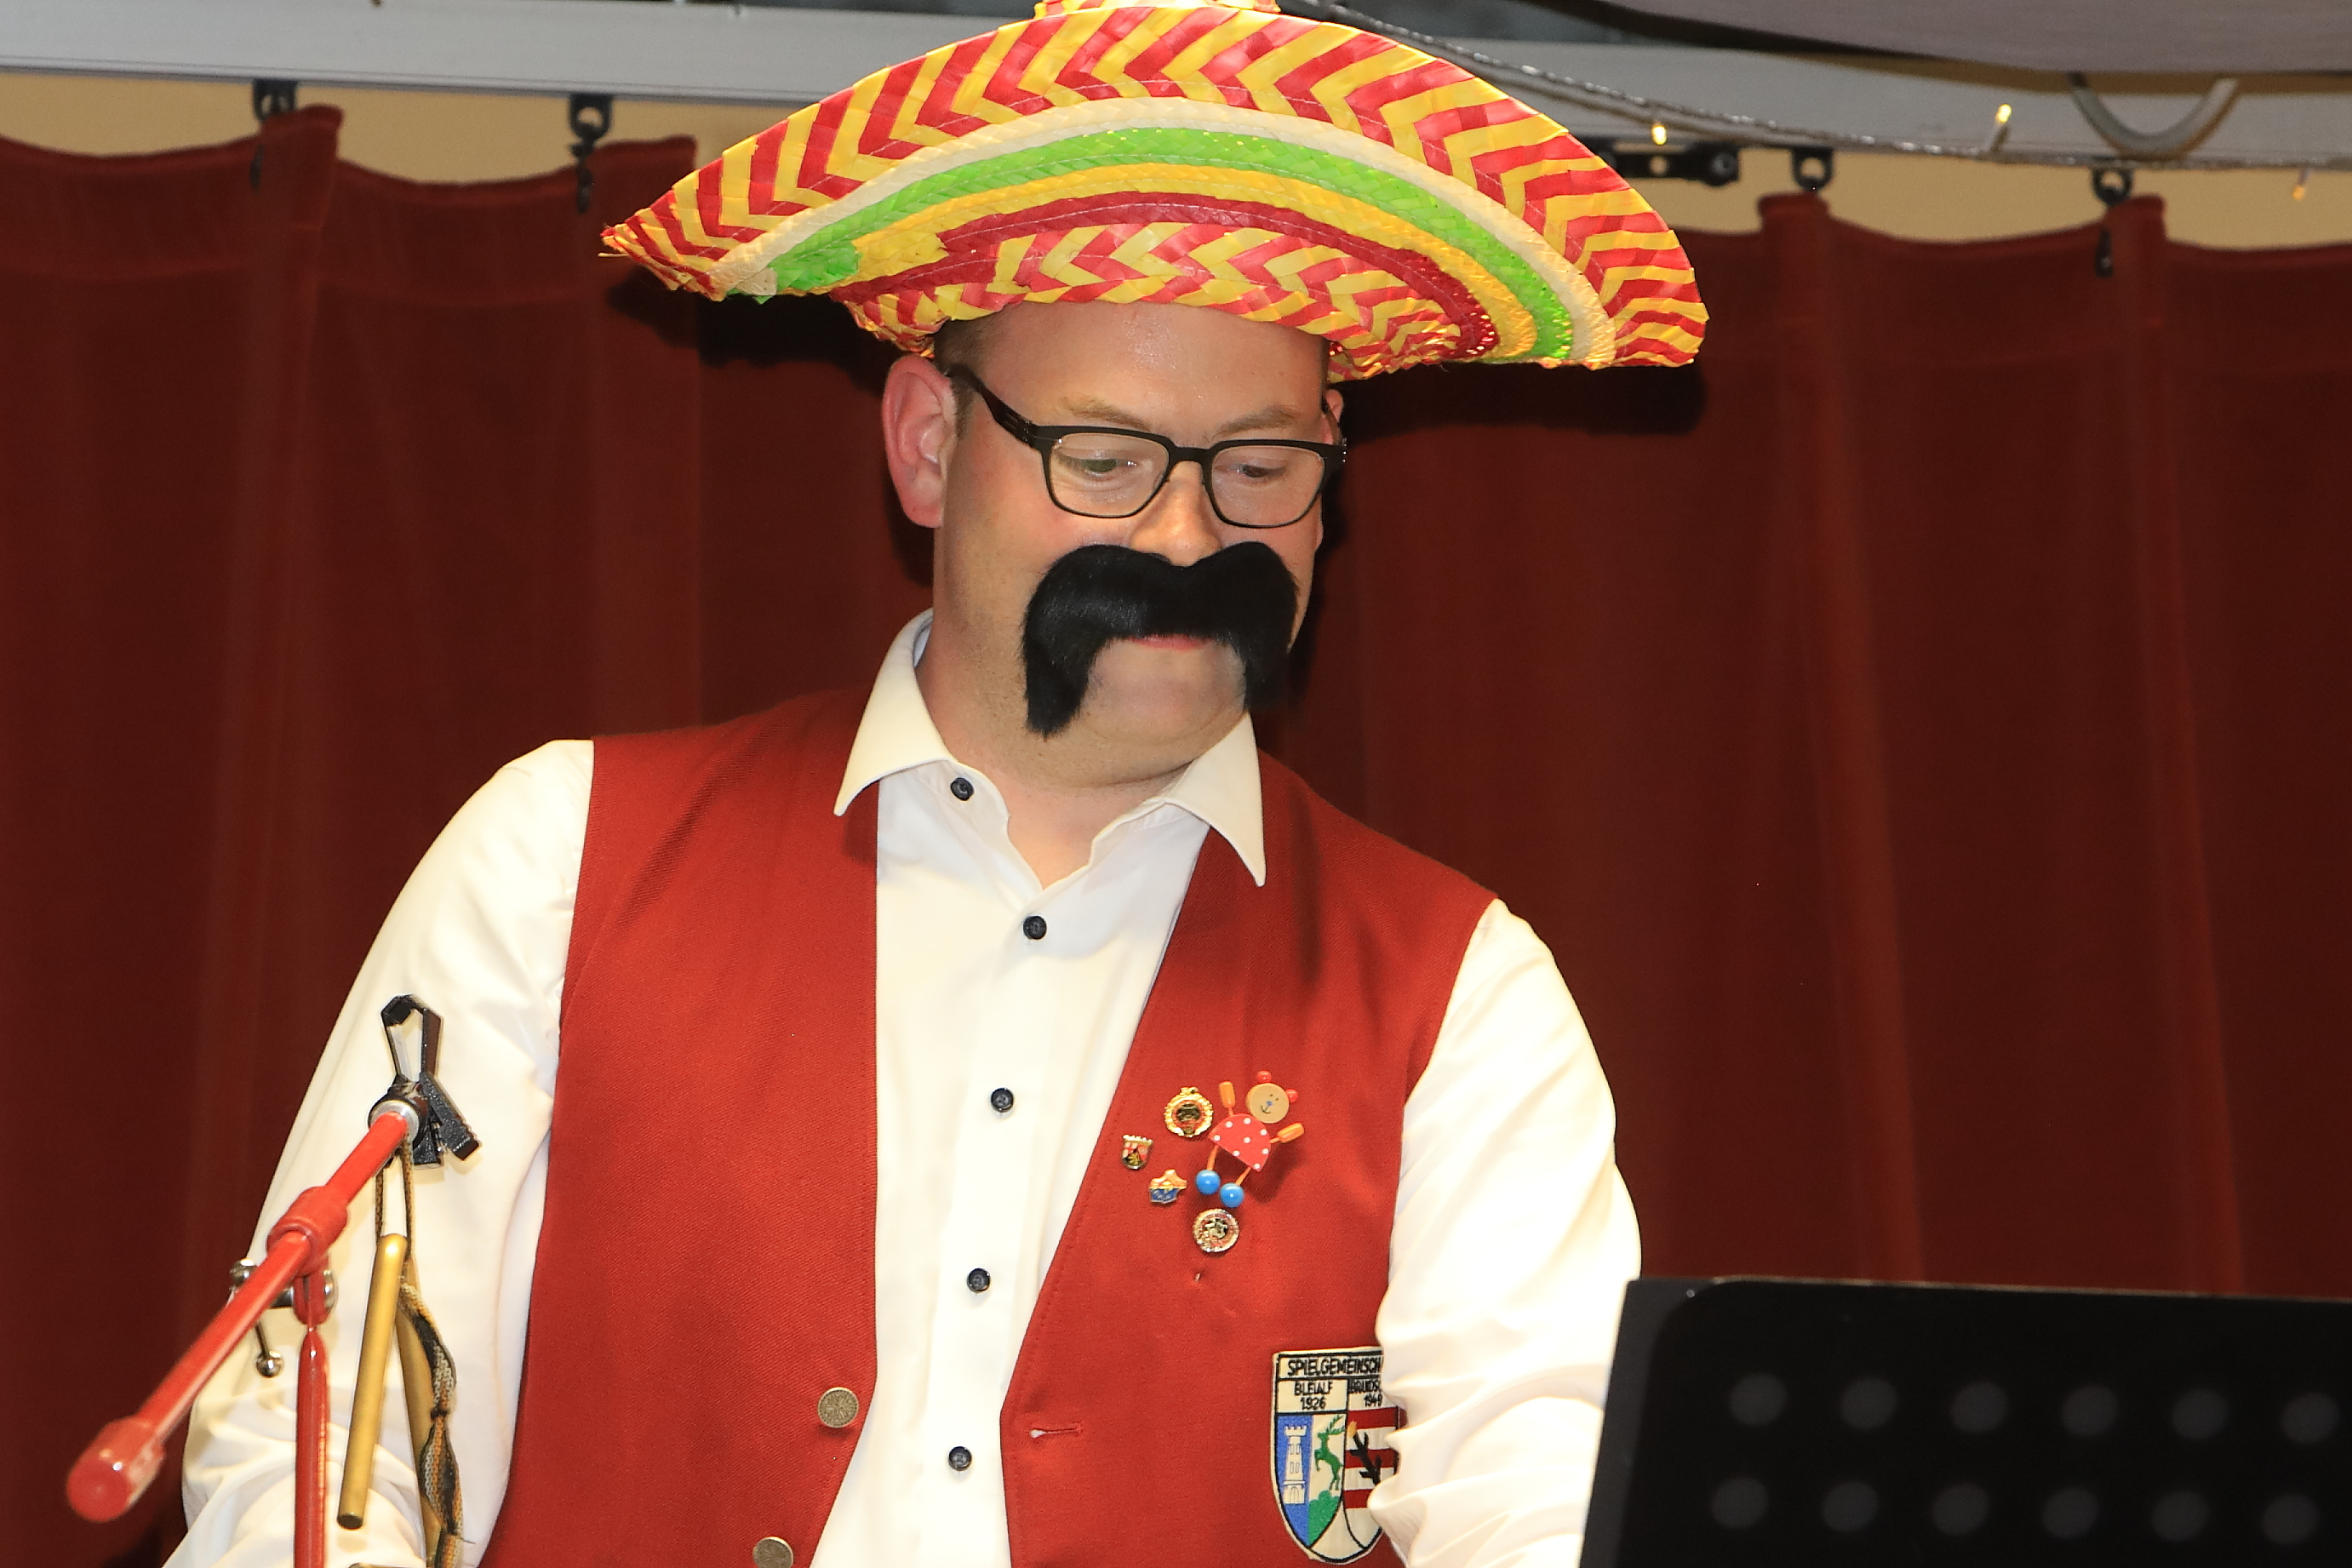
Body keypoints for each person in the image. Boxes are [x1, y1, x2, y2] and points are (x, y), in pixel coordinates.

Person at [175, 3, 1703, 1565]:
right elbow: (321, 1435)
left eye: (1259, 469)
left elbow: (1541, 1483)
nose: (1188, 538)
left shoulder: (1461, 994)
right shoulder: (557, 861)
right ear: (925, 444)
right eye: (1104, 458)